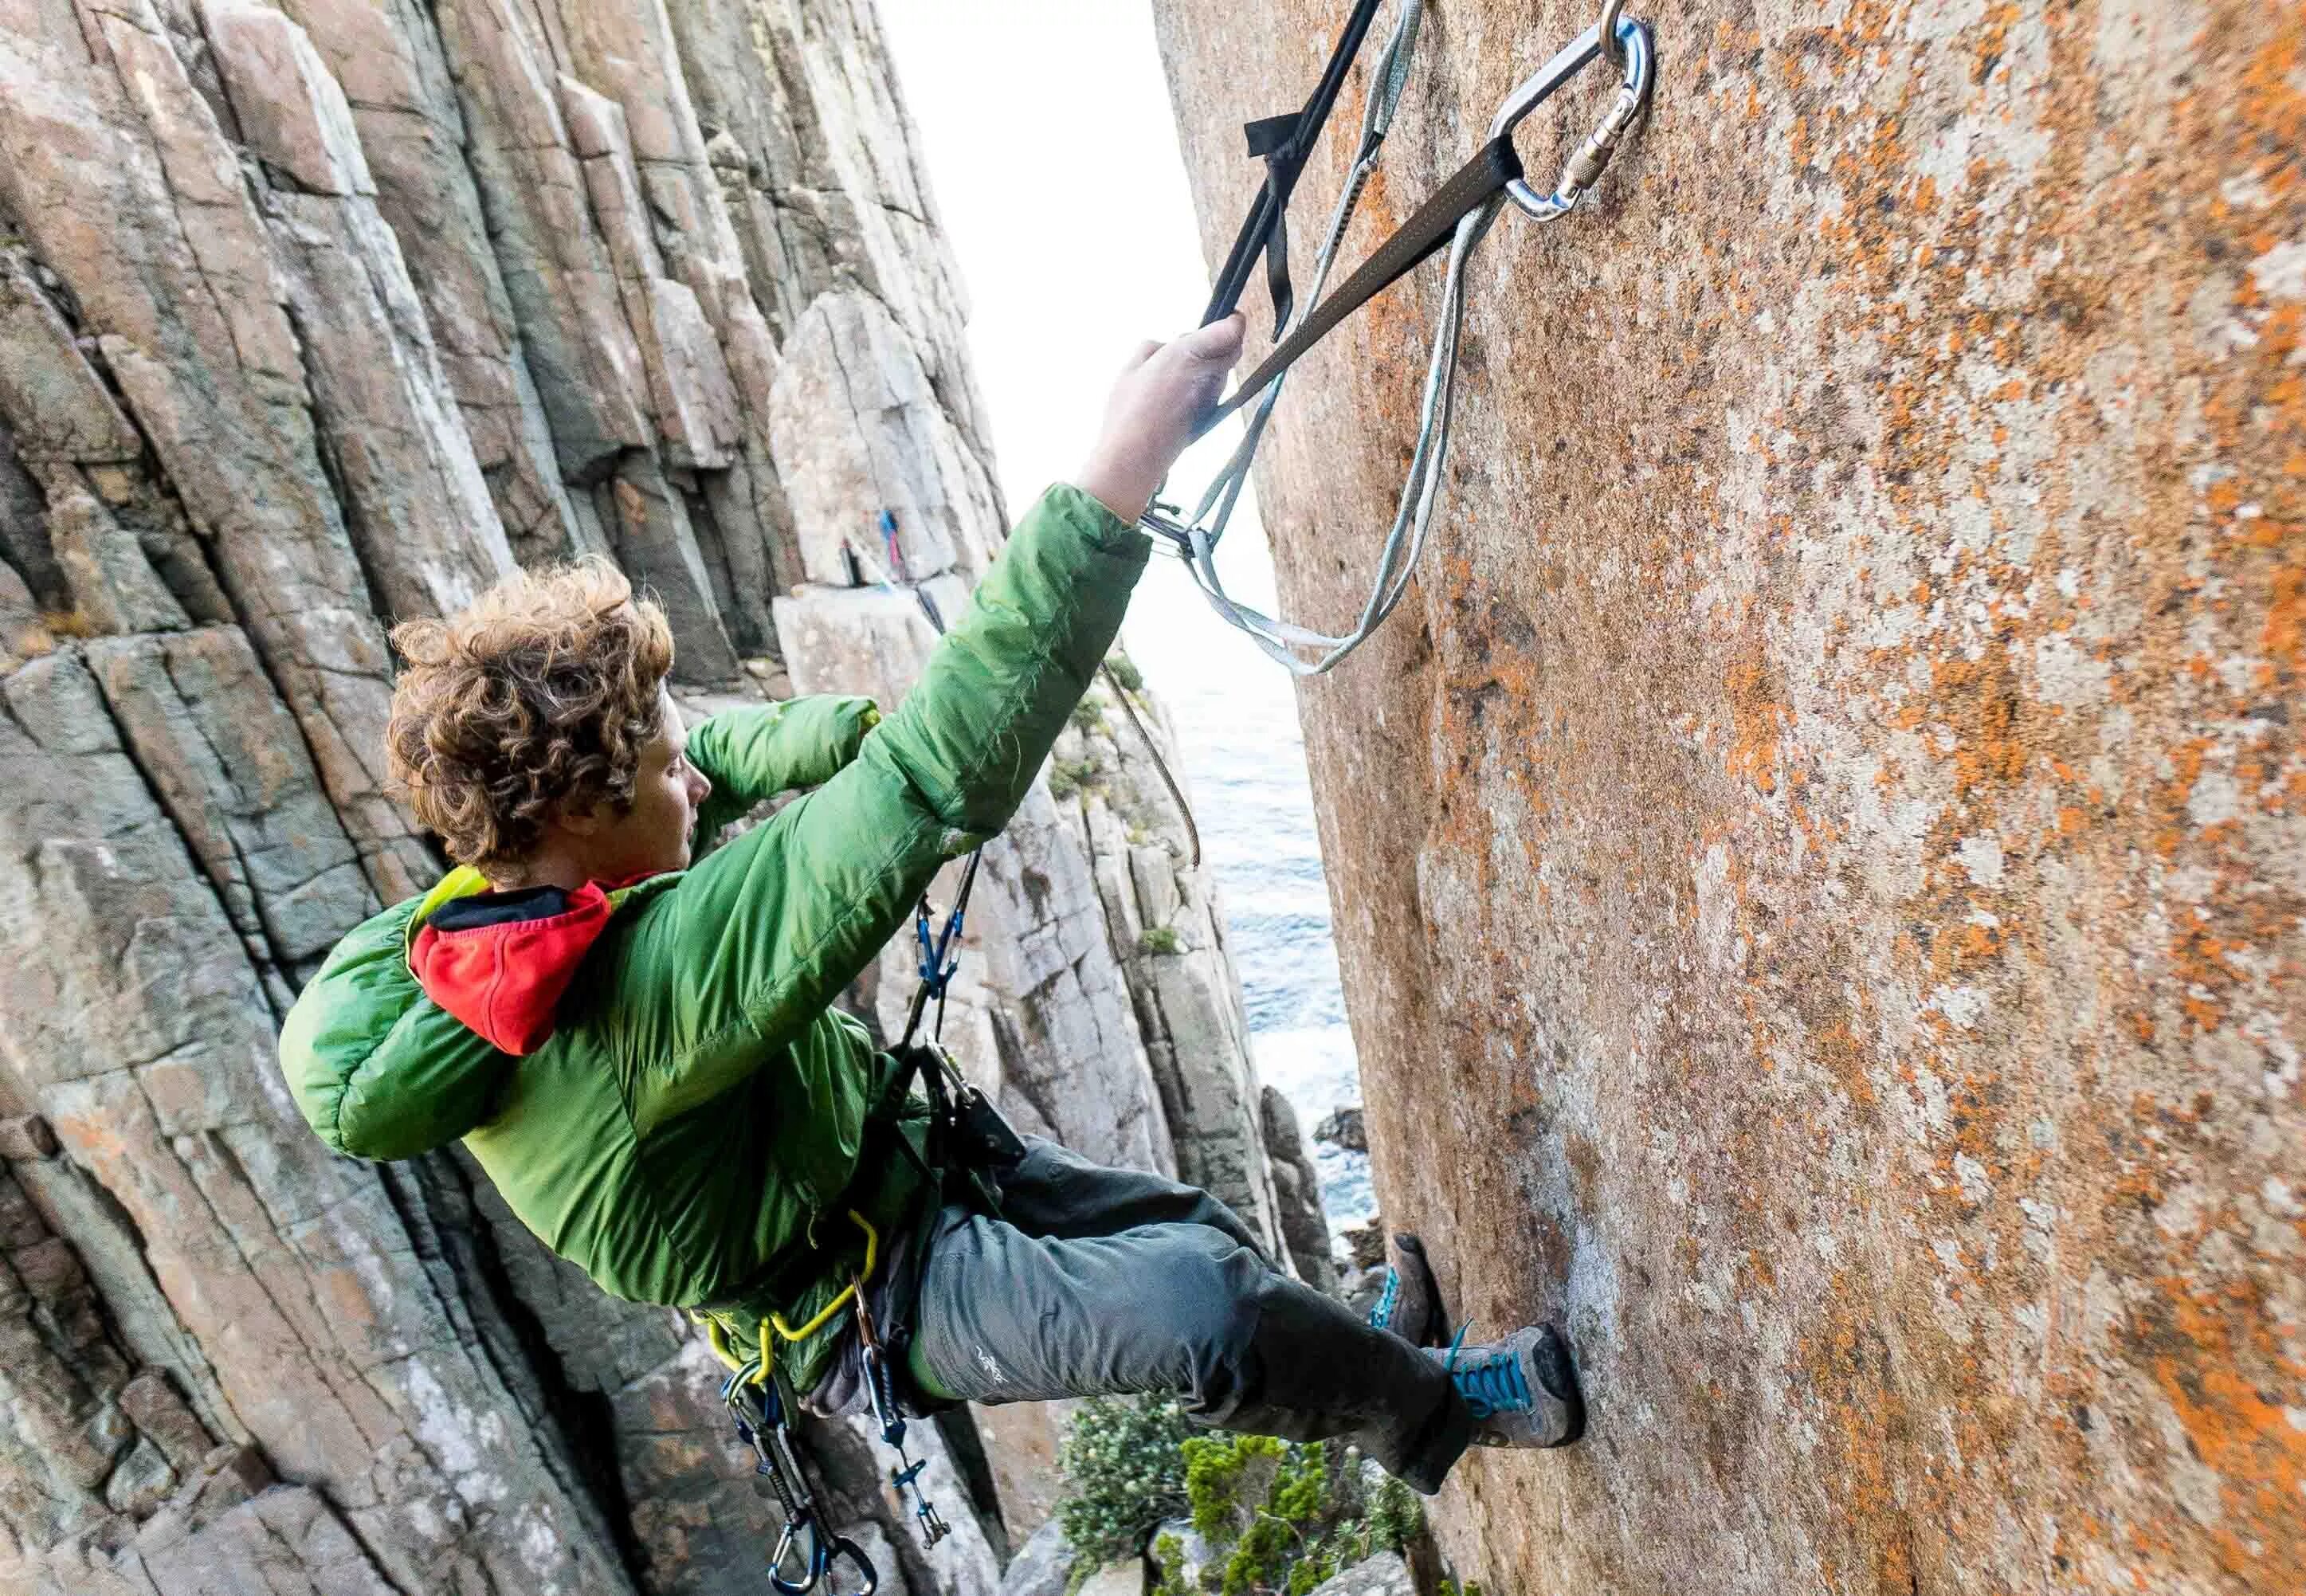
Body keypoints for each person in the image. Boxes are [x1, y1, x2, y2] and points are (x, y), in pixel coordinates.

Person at [278, 313, 1581, 1500]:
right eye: (661, 758)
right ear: (580, 814)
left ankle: (1366, 1360)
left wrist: (812, 740)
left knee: (1187, 1226)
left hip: (892, 1162)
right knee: (1205, 1312)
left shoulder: (487, 913)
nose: (696, 762)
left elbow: (717, 768)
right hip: (867, 1297)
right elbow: (932, 781)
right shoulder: (646, 989)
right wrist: (1112, 480)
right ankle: (1432, 1416)